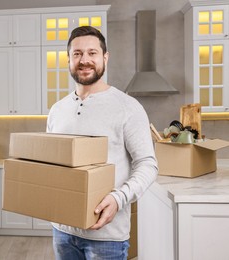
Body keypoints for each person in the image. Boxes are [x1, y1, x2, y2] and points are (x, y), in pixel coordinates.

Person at [46, 26, 158, 260]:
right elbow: (52, 166)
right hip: (62, 231)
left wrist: (118, 199)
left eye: (92, 53)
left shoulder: (128, 107)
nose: (84, 60)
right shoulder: (57, 110)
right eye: (77, 54)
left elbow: (147, 164)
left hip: (107, 237)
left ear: (104, 57)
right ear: (68, 60)